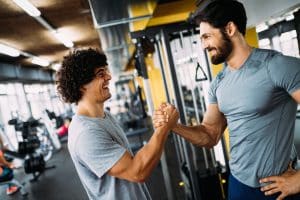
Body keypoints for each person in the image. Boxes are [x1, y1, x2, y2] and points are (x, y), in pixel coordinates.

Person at [153, 1, 300, 199]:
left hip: (275, 188)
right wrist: (175, 126)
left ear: (230, 29)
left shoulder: (277, 66)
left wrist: (298, 180)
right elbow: (209, 135)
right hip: (238, 183)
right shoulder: (219, 83)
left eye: (207, 36)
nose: (204, 45)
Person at [56, 48, 178, 200]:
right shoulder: (86, 134)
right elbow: (136, 171)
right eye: (101, 74)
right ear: (82, 85)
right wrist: (163, 128)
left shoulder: (104, 116)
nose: (109, 76)